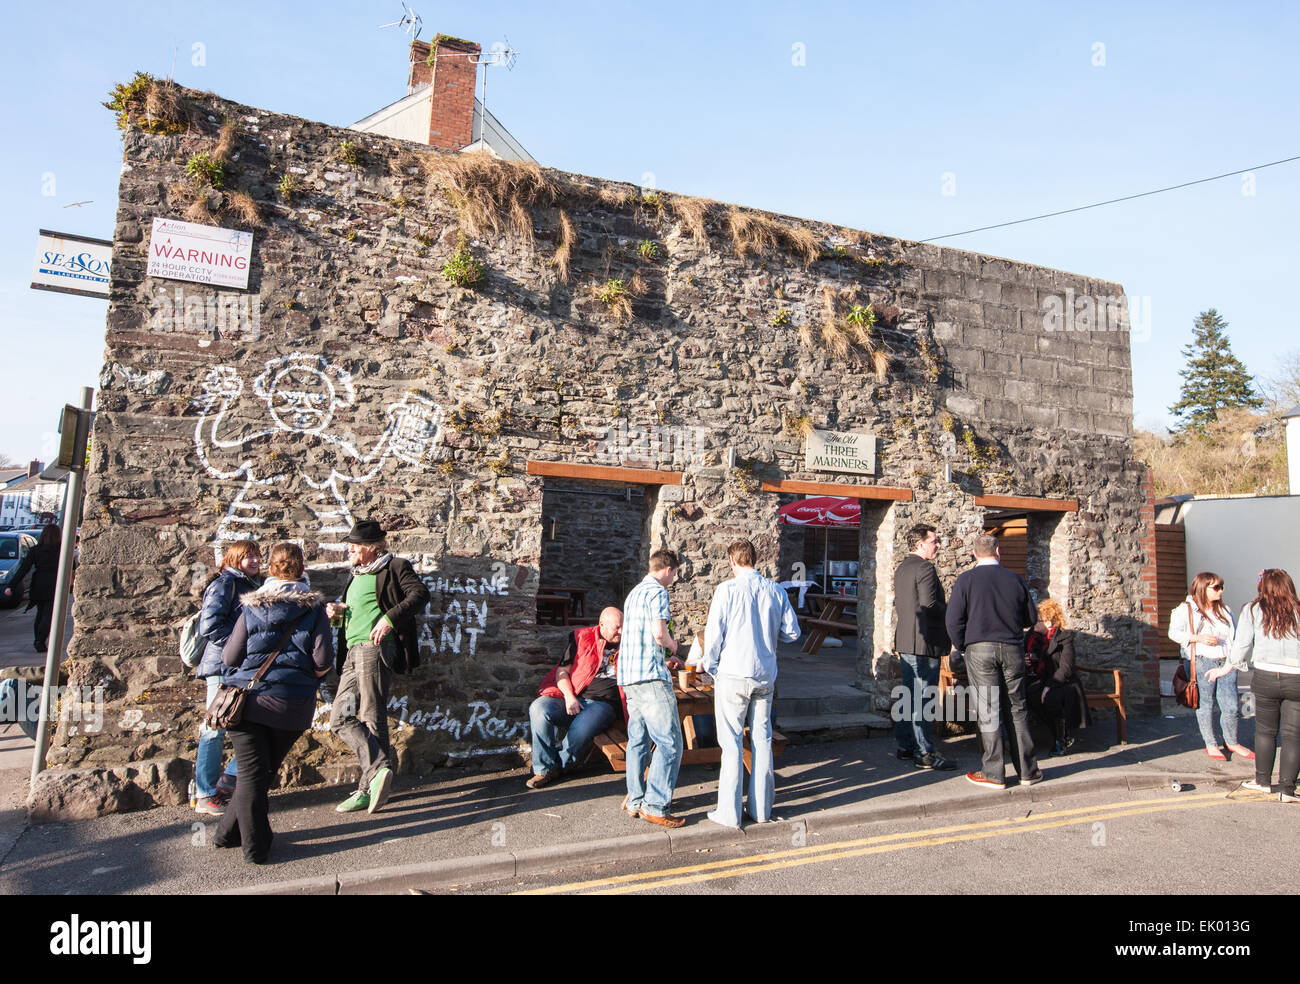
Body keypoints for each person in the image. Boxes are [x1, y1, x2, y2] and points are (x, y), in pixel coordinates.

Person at [216, 542, 332, 863]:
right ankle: (227, 833)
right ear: (302, 571)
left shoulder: (250, 607)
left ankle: (256, 848)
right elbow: (323, 659)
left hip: (249, 703)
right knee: (261, 773)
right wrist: (310, 678)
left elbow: (230, 656)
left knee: (254, 774)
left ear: (270, 570)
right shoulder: (314, 610)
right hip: (292, 706)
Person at [327, 520, 430, 814]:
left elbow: (420, 595)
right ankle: (379, 771)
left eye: (355, 544)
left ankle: (367, 788)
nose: (350, 548)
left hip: (373, 650)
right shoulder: (356, 574)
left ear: (371, 547)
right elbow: (353, 615)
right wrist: (336, 614)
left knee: (371, 716)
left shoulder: (394, 566)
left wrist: (388, 620)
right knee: (340, 718)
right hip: (351, 652)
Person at [701, 539, 800, 828]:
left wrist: (711, 666)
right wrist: (769, 639)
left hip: (733, 674)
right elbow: (793, 633)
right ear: (754, 559)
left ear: (732, 561)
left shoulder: (726, 590)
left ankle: (729, 813)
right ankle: (761, 811)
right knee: (762, 741)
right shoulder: (776, 590)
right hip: (765, 675)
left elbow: (714, 634)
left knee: (731, 743)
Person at [945, 533, 1040, 789]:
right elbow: (1031, 618)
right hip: (1012, 648)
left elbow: (953, 620)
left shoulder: (966, 580)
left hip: (979, 649)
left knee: (988, 710)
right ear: (998, 552)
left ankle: (993, 773)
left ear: (974, 554)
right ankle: (1028, 771)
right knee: (1016, 708)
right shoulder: (1014, 579)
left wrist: (963, 645)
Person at [1211, 569, 1300, 802]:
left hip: (1265, 676)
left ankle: (1262, 782)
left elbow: (1241, 646)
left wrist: (1226, 668)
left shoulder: (1252, 609)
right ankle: (1287, 790)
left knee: (1265, 732)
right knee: (1293, 735)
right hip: (1297, 678)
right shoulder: (1298, 610)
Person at [192, 540, 263, 815]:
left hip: (240, 666)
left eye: (257, 555)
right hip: (223, 666)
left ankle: (228, 779)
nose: (256, 560)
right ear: (235, 559)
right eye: (249, 557)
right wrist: (238, 646)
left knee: (253, 722)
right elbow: (210, 625)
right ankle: (205, 793)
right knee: (214, 727)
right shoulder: (225, 583)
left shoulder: (252, 585)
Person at [617, 548, 687, 828]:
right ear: (668, 569)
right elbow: (659, 633)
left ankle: (635, 800)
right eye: (675, 573)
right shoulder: (658, 592)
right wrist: (673, 646)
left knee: (638, 740)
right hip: (650, 676)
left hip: (630, 676)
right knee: (670, 742)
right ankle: (656, 805)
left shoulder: (634, 593)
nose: (674, 578)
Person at [527, 607, 624, 788]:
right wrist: (569, 697)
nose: (621, 632)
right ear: (601, 625)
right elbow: (562, 671)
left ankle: (557, 767)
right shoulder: (581, 638)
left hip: (604, 704)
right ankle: (543, 769)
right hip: (574, 696)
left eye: (623, 627)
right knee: (538, 708)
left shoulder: (630, 641)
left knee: (582, 727)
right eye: (616, 628)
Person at [1167, 571, 1251, 761]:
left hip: (1226, 662)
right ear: (1203, 588)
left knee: (1231, 706)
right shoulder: (1187, 609)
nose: (1221, 591)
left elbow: (1235, 636)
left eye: (1222, 587)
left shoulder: (1226, 610)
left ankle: (1232, 741)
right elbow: (1173, 632)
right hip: (1202, 660)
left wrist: (1234, 660)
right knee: (1205, 704)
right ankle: (1211, 744)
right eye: (1216, 587)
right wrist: (1198, 637)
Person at [893, 523, 955, 771]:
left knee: (908, 696)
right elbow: (930, 605)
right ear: (919, 544)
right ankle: (925, 752)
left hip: (907, 640)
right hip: (925, 641)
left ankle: (906, 746)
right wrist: (953, 612)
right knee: (923, 699)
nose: (938, 545)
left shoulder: (902, 567)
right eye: (934, 541)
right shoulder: (925, 568)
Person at [1024, 599, 1089, 756]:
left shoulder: (1064, 638)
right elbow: (1028, 659)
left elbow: (1066, 667)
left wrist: (1050, 685)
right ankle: (1058, 735)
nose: (1034, 624)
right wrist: (1025, 660)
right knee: (1031, 695)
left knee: (1051, 698)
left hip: (1062, 681)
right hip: (1040, 680)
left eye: (1038, 620)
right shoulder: (1032, 638)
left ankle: (1061, 738)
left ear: (1048, 621)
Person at [3, 525, 62, 652]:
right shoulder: (61, 550)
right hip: (55, 583)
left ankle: (37, 639)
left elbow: (24, 568)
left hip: (39, 583)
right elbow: (72, 567)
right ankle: (41, 640)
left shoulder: (36, 550)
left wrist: (11, 586)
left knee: (40, 613)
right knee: (49, 613)